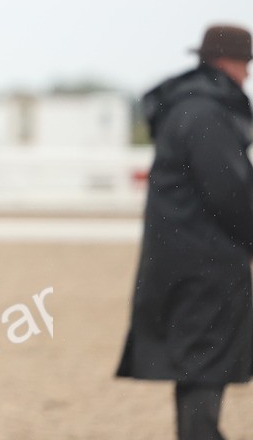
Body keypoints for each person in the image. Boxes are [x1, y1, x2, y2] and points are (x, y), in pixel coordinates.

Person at [117, 24, 253, 440]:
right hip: (205, 267)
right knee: (205, 367)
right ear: (228, 62)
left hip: (181, 258)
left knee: (196, 367)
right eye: (245, 63)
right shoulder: (206, 113)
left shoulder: (186, 106)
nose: (247, 73)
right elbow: (231, 192)